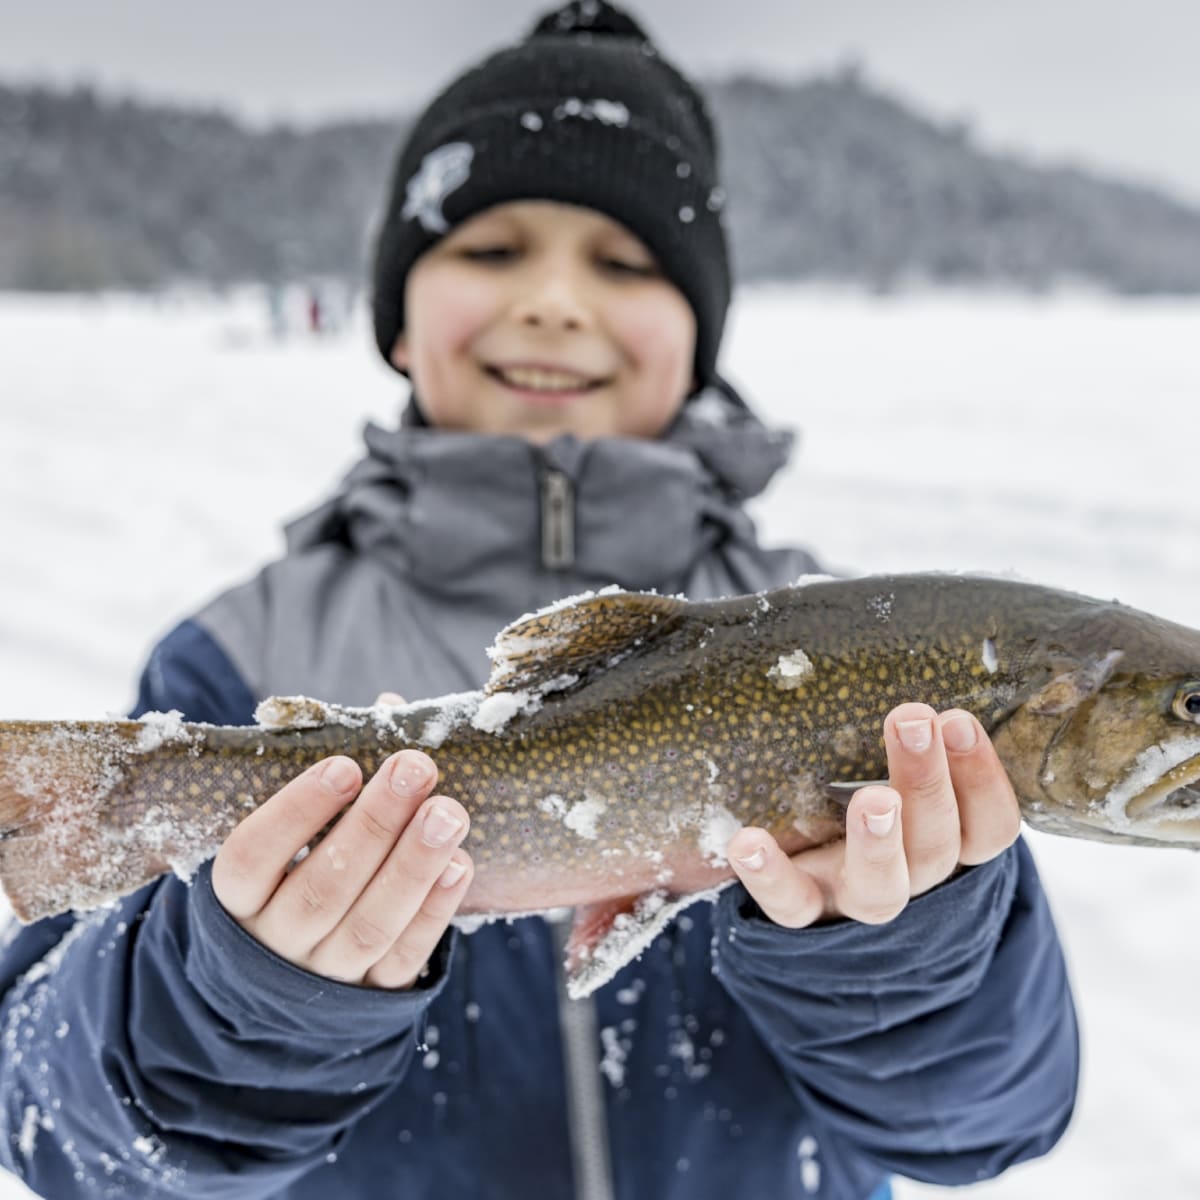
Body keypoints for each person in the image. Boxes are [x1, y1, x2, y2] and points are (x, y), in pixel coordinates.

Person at [0, 4, 1078, 1198]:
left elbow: (986, 1124)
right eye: (493, 249)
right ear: (397, 319)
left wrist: (907, 955)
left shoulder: (855, 655)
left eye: (623, 263)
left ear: (701, 329)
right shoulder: (232, 655)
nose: (556, 301)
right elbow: (57, 1135)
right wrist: (236, 1002)